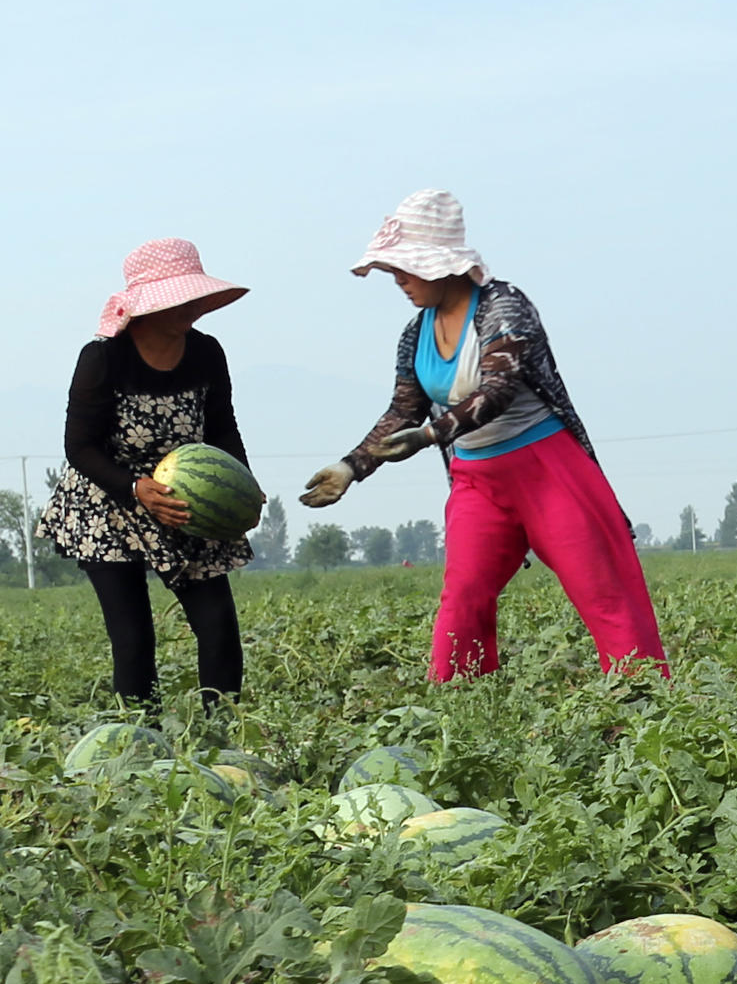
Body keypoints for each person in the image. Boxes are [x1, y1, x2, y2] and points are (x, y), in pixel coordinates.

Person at [301, 191, 665, 681]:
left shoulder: (504, 306)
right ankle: (460, 715)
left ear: (443, 265)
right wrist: (351, 467)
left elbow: (498, 388)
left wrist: (432, 434)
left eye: (406, 268)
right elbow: (402, 409)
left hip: (547, 468)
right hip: (477, 480)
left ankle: (644, 709)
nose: (399, 280)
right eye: (393, 270)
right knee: (463, 598)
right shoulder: (415, 333)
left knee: (603, 591)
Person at [44, 240, 252, 707]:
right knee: (133, 638)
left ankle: (222, 735)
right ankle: (141, 751)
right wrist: (135, 488)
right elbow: (79, 447)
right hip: (108, 500)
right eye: (178, 298)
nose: (190, 307)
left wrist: (243, 486)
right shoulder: (103, 359)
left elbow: (221, 427)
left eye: (193, 297)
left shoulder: (206, 353)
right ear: (147, 305)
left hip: (184, 501)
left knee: (218, 625)